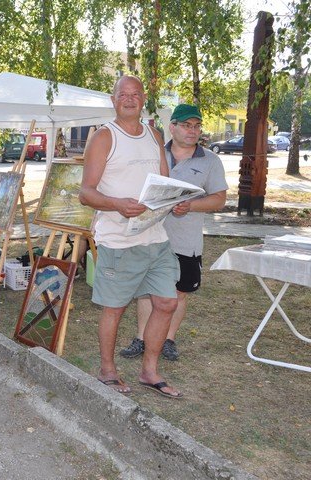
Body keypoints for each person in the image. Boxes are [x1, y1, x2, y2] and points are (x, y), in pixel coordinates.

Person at [79, 75, 182, 399]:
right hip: (119, 240)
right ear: (113, 100)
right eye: (122, 94)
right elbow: (85, 193)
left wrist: (175, 200)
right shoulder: (104, 137)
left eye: (135, 94)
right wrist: (117, 205)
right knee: (115, 308)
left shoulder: (154, 134)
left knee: (167, 302)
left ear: (143, 99)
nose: (129, 99)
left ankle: (149, 372)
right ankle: (107, 371)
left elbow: (164, 182)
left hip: (155, 237)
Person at [119, 104, 228, 361]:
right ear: (173, 127)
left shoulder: (210, 160)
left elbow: (219, 199)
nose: (193, 131)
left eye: (197, 126)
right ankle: (141, 338)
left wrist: (191, 205)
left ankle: (168, 339)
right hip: (149, 236)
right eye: (187, 125)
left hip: (186, 241)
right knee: (147, 290)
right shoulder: (154, 153)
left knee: (179, 292)